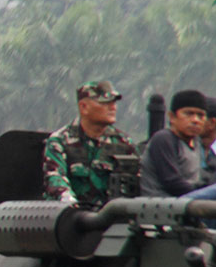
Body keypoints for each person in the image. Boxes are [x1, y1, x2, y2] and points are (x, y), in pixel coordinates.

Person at [42, 80, 137, 209]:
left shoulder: (124, 144)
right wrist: (71, 204)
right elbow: (55, 179)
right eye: (105, 102)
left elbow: (137, 184)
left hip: (112, 221)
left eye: (113, 102)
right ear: (84, 107)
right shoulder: (60, 141)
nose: (113, 107)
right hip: (71, 220)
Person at [142, 89, 208, 197]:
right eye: (188, 114)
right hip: (163, 204)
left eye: (201, 115)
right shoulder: (164, 139)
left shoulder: (197, 143)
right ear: (172, 117)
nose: (196, 120)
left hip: (189, 201)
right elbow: (172, 182)